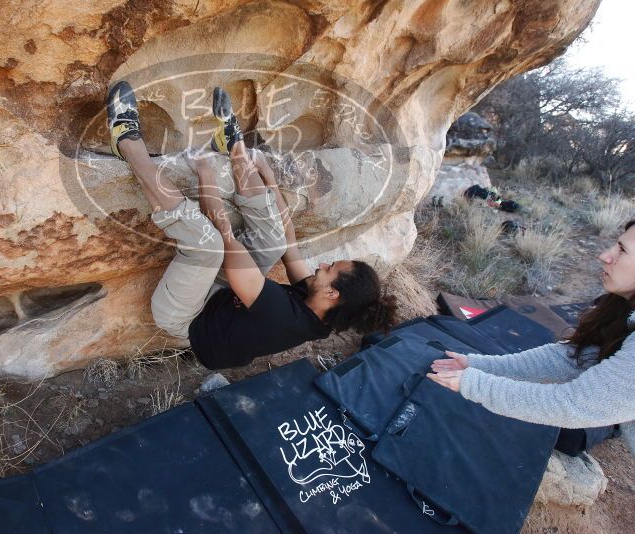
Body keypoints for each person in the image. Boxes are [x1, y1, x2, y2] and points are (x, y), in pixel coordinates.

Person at [106, 81, 397, 370]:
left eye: (329, 268)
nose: (320, 265)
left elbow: (223, 232)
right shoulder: (322, 305)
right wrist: (265, 173)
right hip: (226, 299)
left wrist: (205, 172)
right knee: (274, 239)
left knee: (208, 244)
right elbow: (289, 242)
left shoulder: (282, 317)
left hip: (187, 317)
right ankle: (232, 145)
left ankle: (126, 141)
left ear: (332, 294)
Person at [428, 221, 635, 456]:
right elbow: (573, 358)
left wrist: (475, 384)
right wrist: (477, 364)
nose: (604, 256)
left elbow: (573, 404)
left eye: (622, 250)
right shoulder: (623, 307)